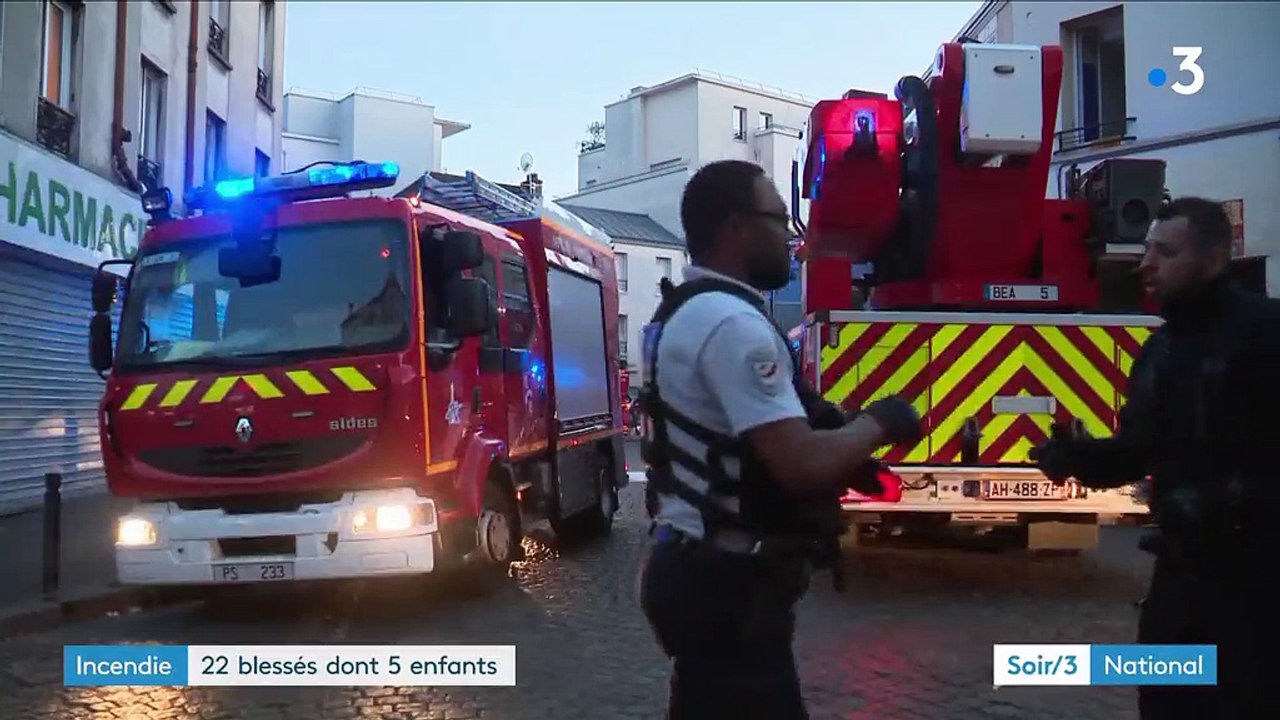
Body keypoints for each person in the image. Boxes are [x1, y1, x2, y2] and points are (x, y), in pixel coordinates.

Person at [636, 160, 923, 719]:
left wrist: (847, 456)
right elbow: (799, 464)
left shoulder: (689, 309)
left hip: (696, 571)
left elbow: (741, 442)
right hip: (727, 590)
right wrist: (882, 422)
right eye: (778, 219)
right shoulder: (732, 324)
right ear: (737, 227)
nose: (791, 237)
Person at [1032, 197, 1280, 719]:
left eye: (1165, 253)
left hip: (1257, 582)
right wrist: (1077, 458)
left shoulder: (1264, 334)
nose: (1146, 265)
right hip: (1180, 577)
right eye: (1147, 250)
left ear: (1213, 259)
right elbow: (1137, 450)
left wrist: (1227, 501)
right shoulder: (1160, 349)